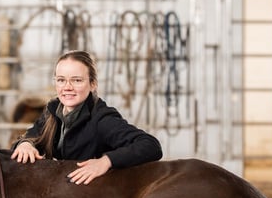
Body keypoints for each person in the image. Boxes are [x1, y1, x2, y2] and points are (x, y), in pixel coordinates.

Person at [10, 50, 162, 185]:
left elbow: (151, 145)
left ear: (92, 84)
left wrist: (106, 161)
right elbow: (33, 135)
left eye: (77, 80)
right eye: (61, 80)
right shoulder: (53, 110)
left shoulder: (101, 119)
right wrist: (25, 144)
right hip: (63, 194)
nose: (67, 87)